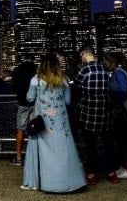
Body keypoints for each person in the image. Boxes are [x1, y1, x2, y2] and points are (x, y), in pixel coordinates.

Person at [20, 53, 86, 193]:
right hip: (61, 122)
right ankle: (70, 183)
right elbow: (67, 101)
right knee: (64, 150)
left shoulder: (35, 80)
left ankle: (48, 183)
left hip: (43, 122)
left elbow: (30, 98)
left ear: (42, 65)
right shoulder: (64, 80)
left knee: (45, 153)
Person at [73, 44, 119, 185]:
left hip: (89, 113)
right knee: (108, 144)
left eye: (81, 56)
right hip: (104, 112)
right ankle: (112, 173)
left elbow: (75, 88)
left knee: (91, 145)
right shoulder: (104, 69)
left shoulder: (84, 71)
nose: (82, 59)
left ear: (85, 55)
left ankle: (92, 174)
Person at [103, 52, 127, 179]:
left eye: (105, 61)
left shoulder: (119, 73)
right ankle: (124, 167)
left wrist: (114, 100)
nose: (104, 63)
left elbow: (123, 92)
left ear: (112, 61)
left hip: (122, 112)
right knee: (121, 140)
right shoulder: (117, 72)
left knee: (122, 140)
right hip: (122, 112)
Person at [10, 59, 36, 166]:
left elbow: (14, 89)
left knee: (20, 129)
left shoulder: (17, 74)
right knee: (34, 130)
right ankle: (33, 157)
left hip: (22, 104)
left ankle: (19, 158)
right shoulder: (33, 76)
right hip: (34, 105)